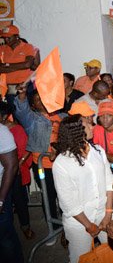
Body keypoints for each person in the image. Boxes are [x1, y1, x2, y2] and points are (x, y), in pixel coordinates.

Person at [52, 115, 113, 262]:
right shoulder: (62, 163)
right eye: (88, 124)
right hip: (79, 222)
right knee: (80, 258)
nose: (93, 127)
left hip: (105, 211)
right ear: (77, 131)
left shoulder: (98, 151)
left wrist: (108, 213)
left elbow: (109, 182)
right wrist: (89, 226)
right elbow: (68, 203)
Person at [14, 84, 61, 234]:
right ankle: (52, 229)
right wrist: (22, 95)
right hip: (42, 166)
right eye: (36, 100)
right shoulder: (32, 120)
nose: (40, 101)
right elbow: (22, 112)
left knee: (63, 196)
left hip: (60, 164)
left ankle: (66, 229)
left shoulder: (59, 116)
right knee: (48, 196)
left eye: (42, 98)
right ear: (33, 104)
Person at [2, 101, 34, 240]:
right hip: (4, 172)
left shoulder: (16, 129)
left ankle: (25, 226)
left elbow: (27, 149)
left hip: (14, 171)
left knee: (19, 200)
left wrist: (19, 164)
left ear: (4, 116)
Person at [0, 120, 23, 263]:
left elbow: (12, 165)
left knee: (4, 237)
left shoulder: (1, 132)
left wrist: (1, 200)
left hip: (0, 193)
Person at [0, 25, 40, 101]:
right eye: (4, 37)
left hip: (24, 86)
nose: (6, 40)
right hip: (9, 88)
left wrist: (7, 65)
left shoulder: (27, 47)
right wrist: (21, 65)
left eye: (9, 37)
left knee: (24, 111)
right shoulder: (2, 49)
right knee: (12, 111)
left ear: (17, 36)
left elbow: (27, 64)